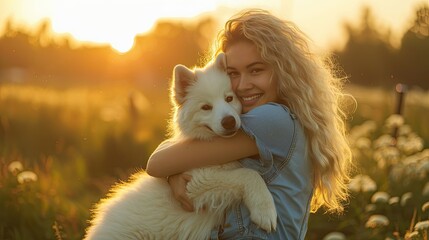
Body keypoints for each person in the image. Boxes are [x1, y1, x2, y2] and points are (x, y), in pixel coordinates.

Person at [146, 8, 353, 239]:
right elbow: (181, 154)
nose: (243, 85)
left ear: (283, 70)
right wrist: (175, 173)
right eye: (233, 73)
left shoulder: (271, 120)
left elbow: (156, 163)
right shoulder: (270, 119)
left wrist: (173, 172)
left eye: (256, 70)